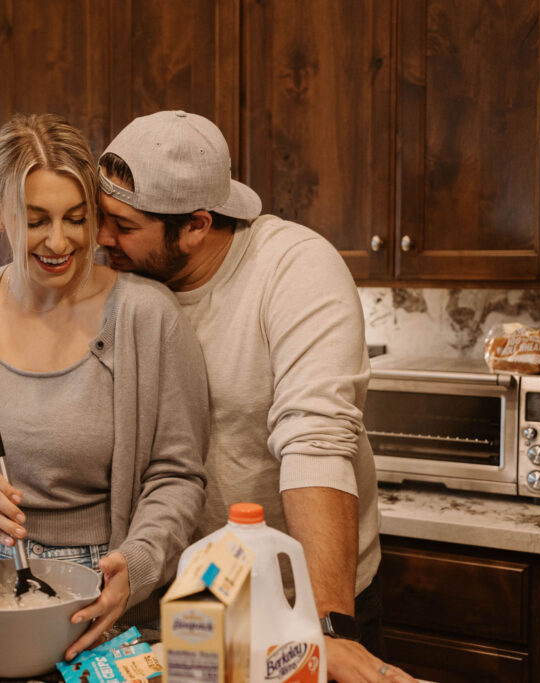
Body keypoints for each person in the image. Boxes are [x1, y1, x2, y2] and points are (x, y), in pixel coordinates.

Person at [94, 111, 418, 683]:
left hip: (306, 596)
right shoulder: (116, 280)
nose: (100, 238)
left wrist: (327, 630)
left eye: (121, 224)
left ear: (195, 225)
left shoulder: (293, 269)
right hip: (188, 599)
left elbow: (316, 440)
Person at [0, 113, 210, 659]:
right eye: (36, 220)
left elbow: (177, 475)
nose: (59, 242)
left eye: (76, 219)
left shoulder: (148, 317)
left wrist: (138, 564)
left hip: (108, 603)